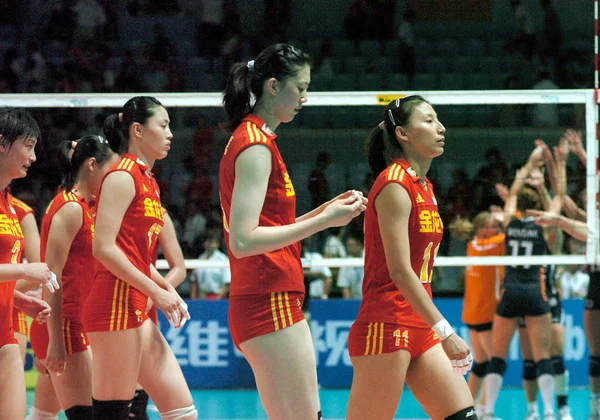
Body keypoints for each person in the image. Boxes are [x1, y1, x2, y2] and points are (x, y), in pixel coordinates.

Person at [220, 43, 367, 420]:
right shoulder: (254, 146)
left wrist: (326, 212)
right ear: (272, 86)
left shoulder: (258, 139)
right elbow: (242, 241)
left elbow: (270, 227)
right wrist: (320, 222)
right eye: (299, 87)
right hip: (268, 299)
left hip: (269, 296)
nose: (305, 96)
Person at [346, 96, 474, 420]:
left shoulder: (425, 186)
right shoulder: (394, 184)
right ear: (403, 133)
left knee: (464, 416)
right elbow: (401, 272)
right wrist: (447, 332)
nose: (440, 128)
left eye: (438, 120)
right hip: (387, 323)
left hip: (420, 324)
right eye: (428, 120)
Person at [82, 97, 196, 420]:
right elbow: (103, 248)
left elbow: (136, 255)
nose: (170, 133)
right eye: (163, 125)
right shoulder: (121, 177)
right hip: (113, 307)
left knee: (182, 410)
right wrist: (157, 292)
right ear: (137, 130)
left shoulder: (150, 182)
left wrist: (165, 289)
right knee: (114, 415)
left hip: (135, 306)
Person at [481, 139, 568, 420]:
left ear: (516, 205)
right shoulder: (545, 225)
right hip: (535, 292)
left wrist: (530, 163)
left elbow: (515, 190)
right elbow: (560, 196)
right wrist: (560, 163)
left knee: (498, 356)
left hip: (510, 292)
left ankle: (488, 411)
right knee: (542, 357)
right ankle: (549, 412)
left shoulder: (510, 222)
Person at [34, 136, 118, 419]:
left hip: (81, 322)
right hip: (67, 326)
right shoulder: (69, 207)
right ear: (92, 166)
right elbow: (51, 275)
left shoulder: (85, 207)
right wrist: (55, 340)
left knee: (45, 412)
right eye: (110, 171)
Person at [0, 107, 58, 419]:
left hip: (4, 330)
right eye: (28, 146)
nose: (33, 157)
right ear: (2, 143)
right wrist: (25, 270)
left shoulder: (11, 206)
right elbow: (24, 267)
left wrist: (20, 301)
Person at [458, 211, 505, 416]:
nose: (498, 229)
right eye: (493, 225)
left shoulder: (472, 245)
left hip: (471, 313)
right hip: (486, 313)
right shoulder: (492, 245)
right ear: (482, 229)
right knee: (496, 361)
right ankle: (486, 409)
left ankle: (468, 406)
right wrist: (506, 215)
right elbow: (511, 232)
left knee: (482, 363)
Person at [10, 193, 42, 361]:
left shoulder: (21, 212)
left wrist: (6, 294)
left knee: (8, 385)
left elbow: (38, 270)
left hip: (10, 311)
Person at [190, 233, 229, 299]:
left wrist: (217, 299)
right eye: (208, 242)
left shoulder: (223, 259)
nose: (210, 244)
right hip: (201, 297)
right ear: (204, 244)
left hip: (217, 297)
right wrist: (193, 299)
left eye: (213, 242)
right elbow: (195, 280)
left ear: (217, 244)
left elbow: (228, 283)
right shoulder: (201, 258)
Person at [336, 233, 364, 299]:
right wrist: (349, 304)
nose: (348, 248)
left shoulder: (370, 257)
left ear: (360, 246)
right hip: (354, 301)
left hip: (372, 299)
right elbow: (345, 287)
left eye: (351, 246)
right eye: (347, 246)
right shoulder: (346, 263)